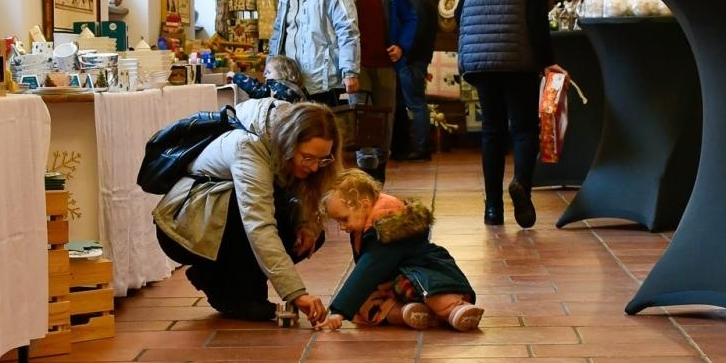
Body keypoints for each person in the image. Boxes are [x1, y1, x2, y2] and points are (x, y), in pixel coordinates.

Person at [153, 99, 340, 323]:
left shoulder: (282, 128)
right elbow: (258, 224)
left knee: (311, 235)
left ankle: (223, 280)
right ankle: (227, 283)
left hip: (219, 222)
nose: (314, 167)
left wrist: (307, 224)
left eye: (323, 159)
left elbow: (301, 199)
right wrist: (296, 294)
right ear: (288, 144)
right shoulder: (248, 147)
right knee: (249, 211)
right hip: (183, 228)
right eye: (307, 157)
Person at [457, 0, 556, 229]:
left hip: (481, 61)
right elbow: (536, 17)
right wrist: (546, 60)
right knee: (524, 129)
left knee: (492, 132)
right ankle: (521, 184)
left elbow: (461, 14)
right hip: (518, 60)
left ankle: (492, 208)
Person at [316, 169, 483, 332]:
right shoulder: (366, 226)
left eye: (344, 219)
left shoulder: (387, 229)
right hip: (395, 284)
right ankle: (406, 312)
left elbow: (367, 271)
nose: (342, 227)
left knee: (425, 287)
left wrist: (339, 311)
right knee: (365, 305)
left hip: (423, 273)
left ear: (364, 204)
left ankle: (456, 309)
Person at [267, 0, 359, 106]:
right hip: (291, 84)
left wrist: (349, 72)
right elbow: (278, 34)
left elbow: (348, 33)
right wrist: (269, 69)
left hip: (325, 83)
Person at [344, 0, 414, 126]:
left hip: (385, 63)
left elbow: (410, 18)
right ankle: (364, 157)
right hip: (357, 64)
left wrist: (401, 45)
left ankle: (382, 156)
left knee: (385, 118)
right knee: (359, 118)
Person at [391, 0, 438, 160]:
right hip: (418, 59)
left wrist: (405, 53)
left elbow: (415, 34)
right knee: (416, 103)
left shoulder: (417, 1)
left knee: (416, 104)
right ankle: (418, 146)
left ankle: (421, 147)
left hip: (412, 60)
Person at [232, 54, 306, 102]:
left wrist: (235, 76)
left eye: (268, 72)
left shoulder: (278, 88)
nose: (264, 75)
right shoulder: (297, 89)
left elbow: (256, 89)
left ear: (283, 73)